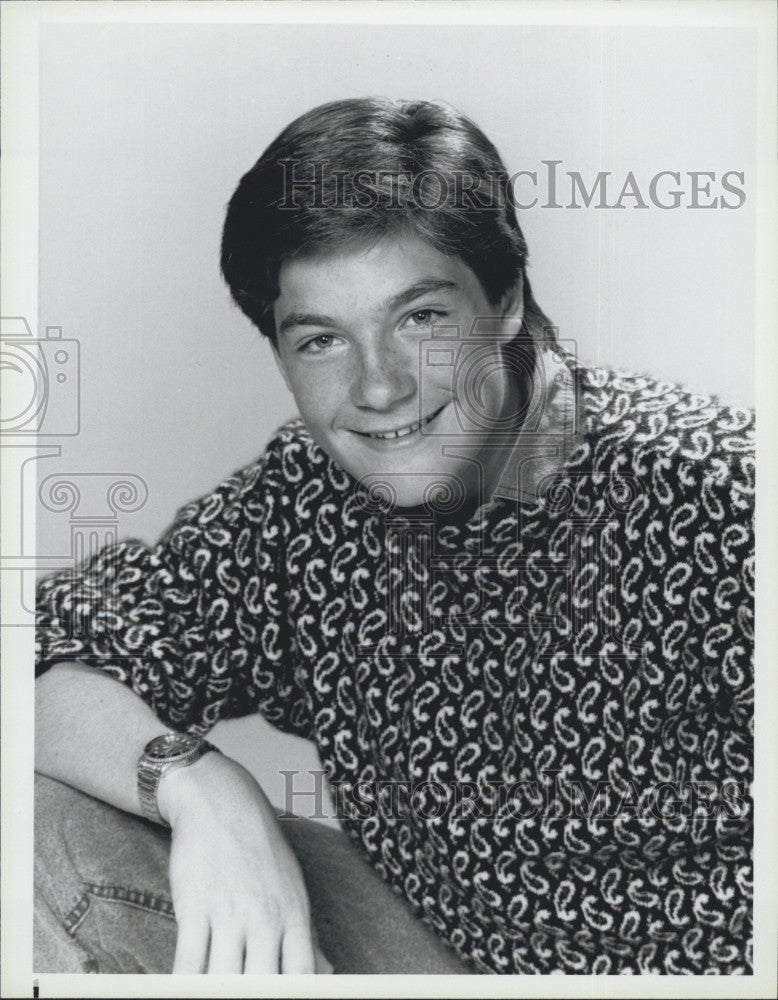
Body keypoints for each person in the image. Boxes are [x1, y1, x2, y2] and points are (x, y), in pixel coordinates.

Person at [34, 97, 753, 975]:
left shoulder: (715, 492)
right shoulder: (305, 496)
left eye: (420, 319)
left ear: (510, 301)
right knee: (40, 821)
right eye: (324, 339)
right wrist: (194, 783)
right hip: (430, 955)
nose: (379, 388)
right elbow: (44, 656)